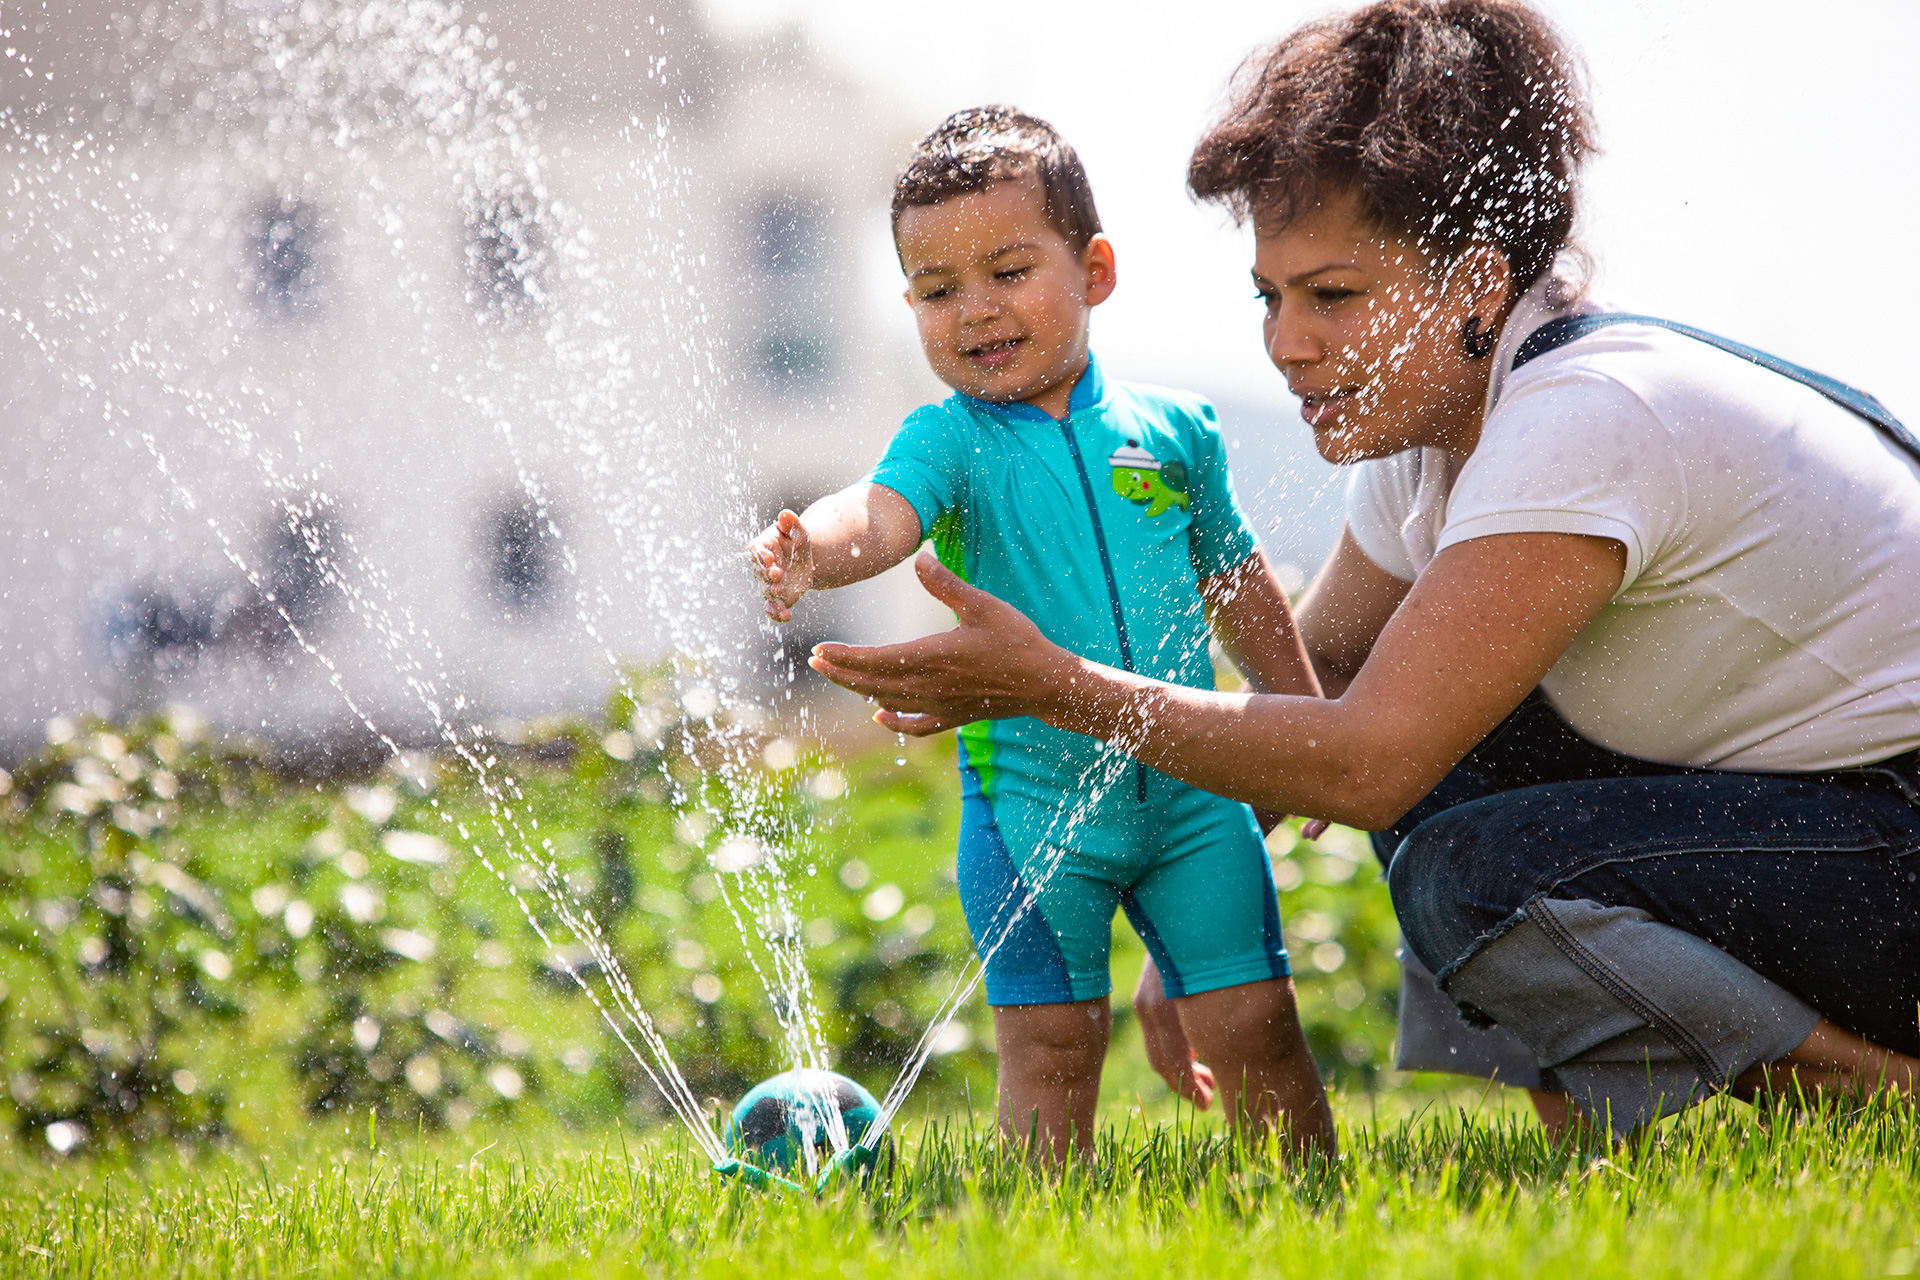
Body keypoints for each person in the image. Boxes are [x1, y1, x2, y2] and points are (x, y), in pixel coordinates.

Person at [808, 0, 1920, 1138]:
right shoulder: (1442, 425)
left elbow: (1361, 763)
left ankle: (1868, 1094)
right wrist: (1201, 902)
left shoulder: (1583, 419)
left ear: (1477, 285)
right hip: (1818, 831)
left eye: (1333, 295)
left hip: (1898, 830)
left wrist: (1051, 685)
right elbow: (1322, 675)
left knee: (1460, 858)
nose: (1287, 342)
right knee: (1428, 750)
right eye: (1270, 295)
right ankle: (1594, 1116)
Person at [747, 106, 1336, 1159]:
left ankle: (1311, 1203)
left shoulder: (1177, 433)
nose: (974, 311)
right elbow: (879, 514)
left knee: (1258, 1026)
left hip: (1196, 800)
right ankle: (1040, 1224)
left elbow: (1240, 582)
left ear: (1095, 269)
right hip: (1031, 814)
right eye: (936, 292)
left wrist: (1299, 724)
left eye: (1008, 272)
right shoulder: (949, 439)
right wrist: (813, 547)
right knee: (1054, 1047)